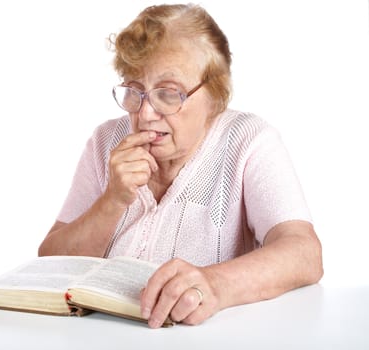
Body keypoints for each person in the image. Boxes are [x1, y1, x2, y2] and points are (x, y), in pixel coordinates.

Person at [38, 3, 323, 328]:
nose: (144, 114)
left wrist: (215, 284)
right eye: (135, 90)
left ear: (215, 95)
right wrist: (112, 200)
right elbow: (49, 263)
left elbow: (304, 254)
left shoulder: (249, 140)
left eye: (169, 94)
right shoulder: (106, 140)